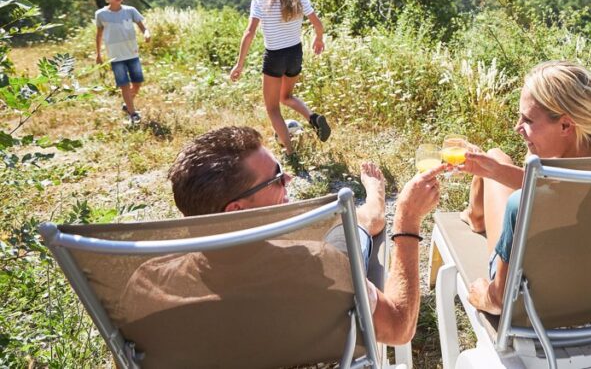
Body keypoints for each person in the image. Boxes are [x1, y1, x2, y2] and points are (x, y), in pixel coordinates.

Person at [122, 126, 442, 348]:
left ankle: (368, 210)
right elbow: (400, 328)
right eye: (276, 177)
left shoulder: (147, 284)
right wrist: (408, 219)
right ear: (236, 211)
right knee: (356, 229)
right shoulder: (319, 267)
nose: (287, 176)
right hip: (325, 267)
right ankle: (374, 207)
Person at [454, 60, 591, 315]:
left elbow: (500, 302)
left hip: (542, 304)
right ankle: (476, 211)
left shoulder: (525, 204)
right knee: (497, 164)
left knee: (496, 154)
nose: (517, 127)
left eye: (527, 119)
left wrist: (482, 294)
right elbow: (567, 191)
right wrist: (496, 170)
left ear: (565, 125)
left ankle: (475, 217)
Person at [229, 0, 330, 155]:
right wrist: (318, 39)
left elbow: (249, 33)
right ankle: (313, 118)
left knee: (273, 108)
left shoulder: (260, 1)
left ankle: (291, 153)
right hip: (295, 53)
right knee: (287, 96)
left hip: (275, 56)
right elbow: (318, 24)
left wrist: (239, 64)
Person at [95, 0, 150, 124]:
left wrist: (146, 33)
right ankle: (133, 113)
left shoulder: (130, 11)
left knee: (137, 82)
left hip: (132, 53)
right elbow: (99, 34)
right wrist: (98, 54)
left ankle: (128, 103)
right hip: (115, 56)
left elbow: (142, 26)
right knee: (124, 84)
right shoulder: (100, 14)